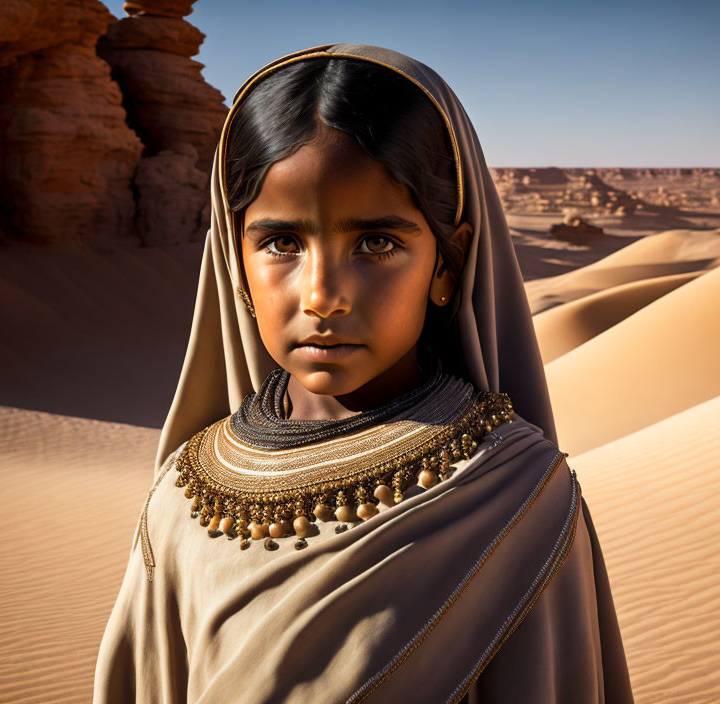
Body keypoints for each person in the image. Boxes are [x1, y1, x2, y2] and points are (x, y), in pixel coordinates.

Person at [93, 43, 633, 703]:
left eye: (377, 243)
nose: (322, 294)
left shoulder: (517, 495)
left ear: (447, 265)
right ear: (235, 261)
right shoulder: (182, 493)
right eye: (281, 243)